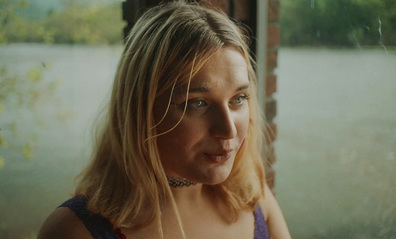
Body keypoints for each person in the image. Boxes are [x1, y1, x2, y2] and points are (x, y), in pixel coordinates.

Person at [37, 1, 291, 238]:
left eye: (239, 98)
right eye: (197, 103)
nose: (227, 130)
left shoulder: (254, 198)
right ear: (141, 110)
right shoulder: (74, 230)